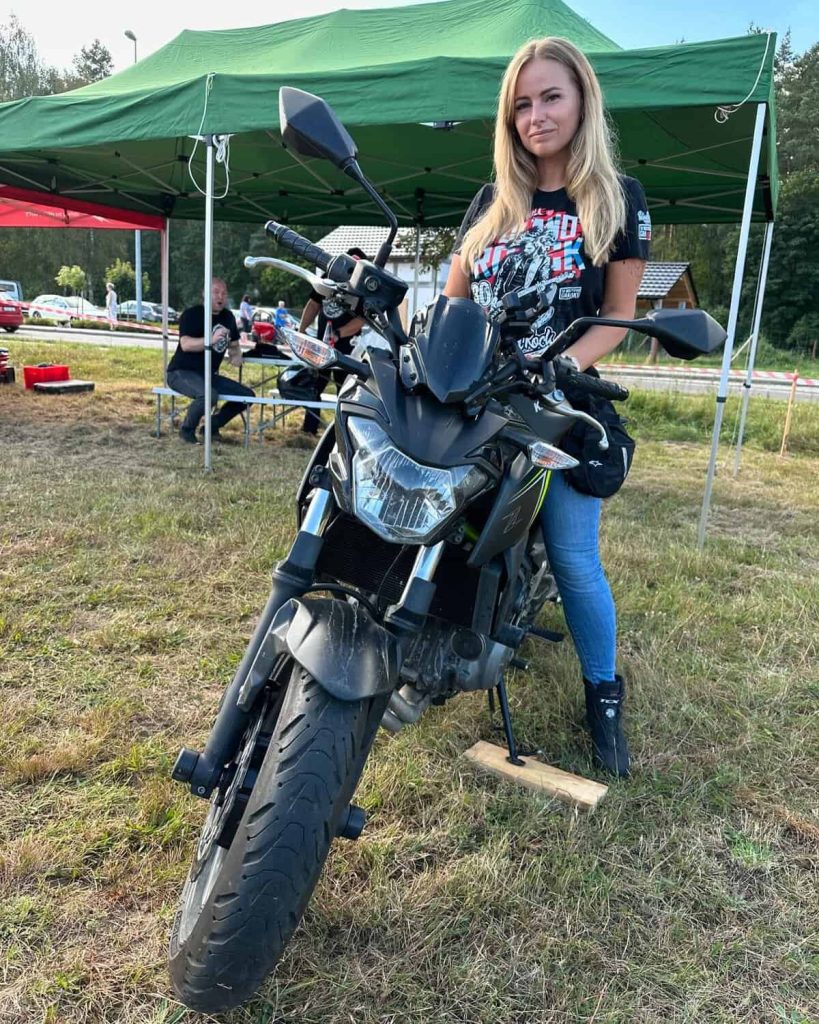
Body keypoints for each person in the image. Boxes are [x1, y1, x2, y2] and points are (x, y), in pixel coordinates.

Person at [443, 37, 650, 776]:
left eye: (551, 97)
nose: (536, 116)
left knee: (572, 555)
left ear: (582, 100)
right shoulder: (491, 204)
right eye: (522, 104)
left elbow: (617, 317)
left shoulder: (617, 198)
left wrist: (561, 366)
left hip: (558, 402)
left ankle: (604, 696)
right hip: (479, 397)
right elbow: (453, 307)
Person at [166, 278, 255, 444]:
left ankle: (212, 426)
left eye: (224, 293)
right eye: (216, 292)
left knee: (247, 396)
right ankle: (187, 430)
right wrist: (210, 340)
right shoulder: (192, 314)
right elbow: (186, 345)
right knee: (208, 395)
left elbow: (234, 345)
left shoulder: (228, 317)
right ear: (204, 294)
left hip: (208, 375)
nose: (220, 296)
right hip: (181, 372)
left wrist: (236, 355)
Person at [297, 247, 368, 435]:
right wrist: (301, 330)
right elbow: (313, 305)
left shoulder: (362, 286)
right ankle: (309, 429)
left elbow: (361, 320)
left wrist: (338, 333)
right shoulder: (328, 277)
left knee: (345, 392)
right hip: (321, 346)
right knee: (314, 387)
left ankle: (343, 433)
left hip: (347, 350)